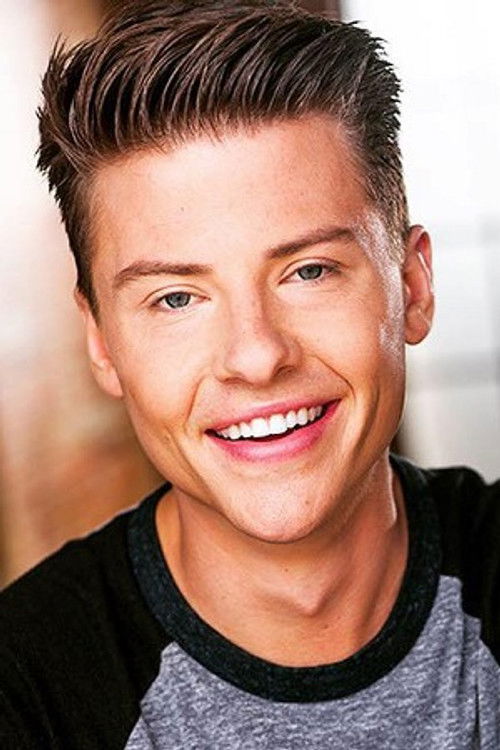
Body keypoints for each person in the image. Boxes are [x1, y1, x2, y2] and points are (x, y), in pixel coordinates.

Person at [1, 0, 498, 747]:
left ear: (413, 286)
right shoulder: (25, 688)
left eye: (308, 271)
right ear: (101, 341)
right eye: (176, 298)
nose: (257, 356)